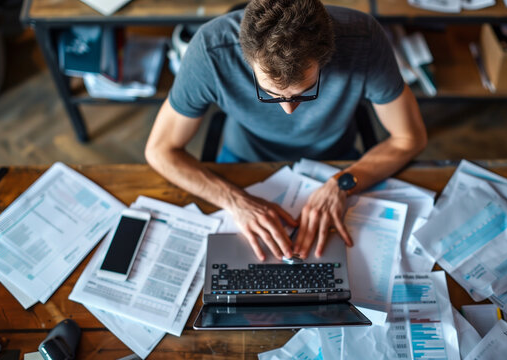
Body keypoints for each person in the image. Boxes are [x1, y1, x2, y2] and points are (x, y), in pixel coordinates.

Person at [145, 0, 427, 262]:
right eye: (270, 93)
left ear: (327, 53)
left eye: (304, 93)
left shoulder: (364, 39)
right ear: (245, 56)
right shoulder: (210, 50)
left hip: (335, 161)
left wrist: (341, 184)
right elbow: (159, 151)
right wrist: (235, 201)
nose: (288, 110)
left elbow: (410, 138)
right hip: (245, 160)